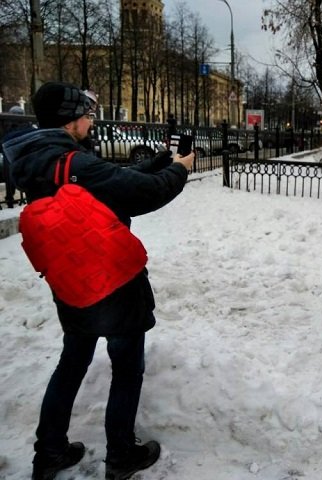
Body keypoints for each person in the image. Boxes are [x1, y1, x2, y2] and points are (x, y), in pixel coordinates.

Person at [2, 81, 195, 480]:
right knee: (127, 368)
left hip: (69, 280)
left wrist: (159, 159)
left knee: (72, 362)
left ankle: (50, 451)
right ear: (71, 120)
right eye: (88, 115)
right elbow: (142, 194)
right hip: (113, 282)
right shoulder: (76, 164)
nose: (91, 121)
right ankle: (122, 454)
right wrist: (179, 169)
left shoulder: (41, 160)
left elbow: (108, 184)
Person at [1, 105, 29, 207]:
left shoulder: (6, 123)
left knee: (9, 175)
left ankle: (10, 199)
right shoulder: (25, 123)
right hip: (21, 152)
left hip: (10, 151)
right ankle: (13, 198)